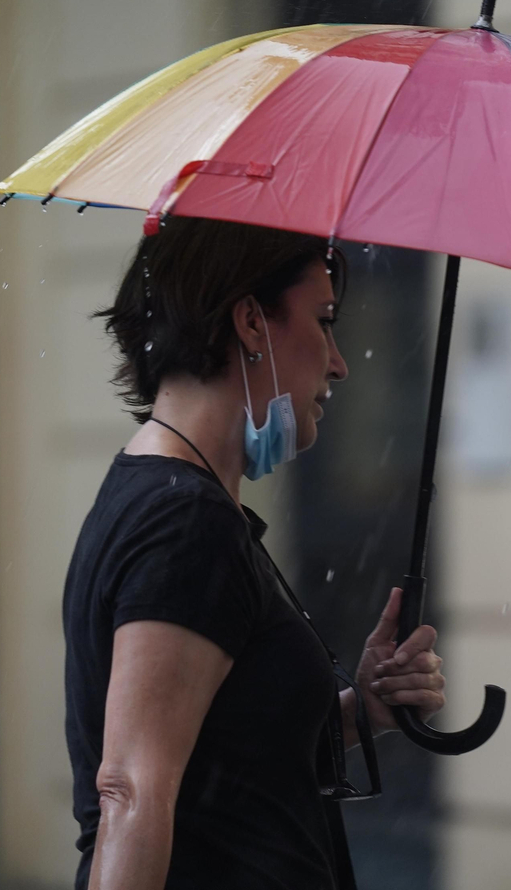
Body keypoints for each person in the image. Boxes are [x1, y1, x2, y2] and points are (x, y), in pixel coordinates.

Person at [64, 219, 448, 890]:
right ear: (250, 322)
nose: (338, 360)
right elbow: (131, 788)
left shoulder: (171, 498)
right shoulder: (188, 524)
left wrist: (363, 710)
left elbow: (229, 765)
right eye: (324, 320)